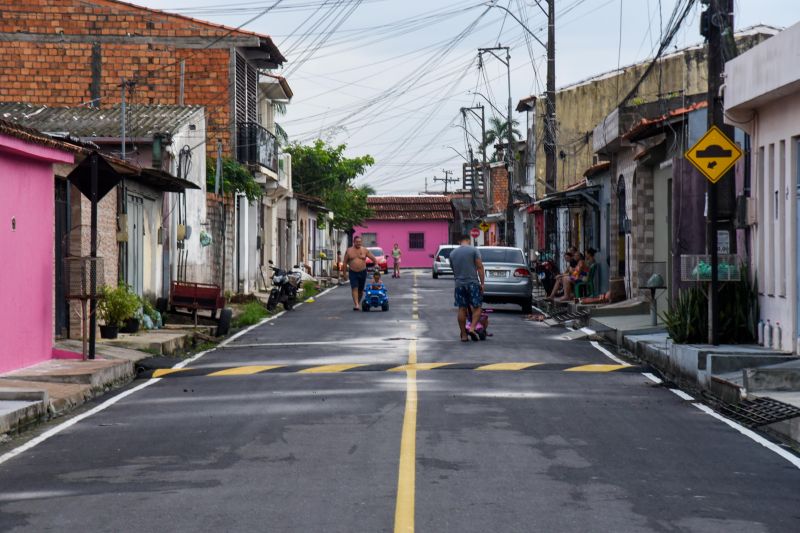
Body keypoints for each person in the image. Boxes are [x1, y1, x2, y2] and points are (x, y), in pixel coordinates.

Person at [449, 234, 485, 342]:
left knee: (462, 308)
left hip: (459, 284)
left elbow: (453, 269)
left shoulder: (452, 253)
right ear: (468, 240)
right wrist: (482, 283)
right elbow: (479, 267)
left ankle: (464, 335)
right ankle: (472, 328)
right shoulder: (474, 250)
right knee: (477, 307)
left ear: (459, 241)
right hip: (472, 283)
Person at [344, 235, 381, 311]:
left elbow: (373, 258)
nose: (358, 243)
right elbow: (344, 263)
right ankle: (356, 304)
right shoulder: (349, 251)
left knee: (360, 290)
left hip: (362, 272)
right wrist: (344, 274)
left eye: (360, 242)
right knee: (354, 288)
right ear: (354, 242)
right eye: (357, 242)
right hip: (352, 272)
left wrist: (376, 264)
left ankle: (358, 302)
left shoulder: (365, 250)